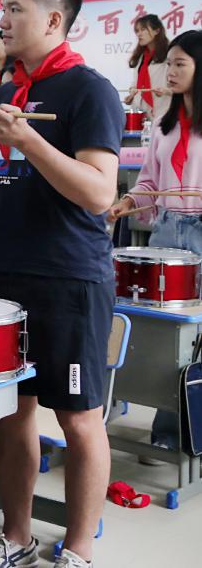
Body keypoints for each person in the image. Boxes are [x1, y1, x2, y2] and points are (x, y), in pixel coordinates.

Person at [0, 0, 120, 568]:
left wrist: (29, 140)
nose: (2, 20)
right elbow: (11, 179)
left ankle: (79, 548)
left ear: (53, 18)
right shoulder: (4, 93)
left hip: (67, 276)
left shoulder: (89, 90)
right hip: (1, 273)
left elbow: (99, 192)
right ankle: (16, 535)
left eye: (15, 9)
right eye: (2, 8)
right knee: (10, 410)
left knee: (77, 417)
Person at [109, 29, 202, 456]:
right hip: (167, 234)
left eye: (181, 64)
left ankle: (194, 430)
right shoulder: (164, 125)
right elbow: (149, 182)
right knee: (170, 338)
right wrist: (127, 202)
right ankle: (168, 428)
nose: (171, 72)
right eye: (170, 64)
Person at [126, 13, 170, 122]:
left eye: (143, 29)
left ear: (157, 31)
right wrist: (132, 94)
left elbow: (182, 86)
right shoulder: (141, 56)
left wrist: (166, 91)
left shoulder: (169, 54)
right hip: (141, 113)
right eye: (137, 31)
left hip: (162, 112)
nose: (139, 34)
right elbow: (136, 83)